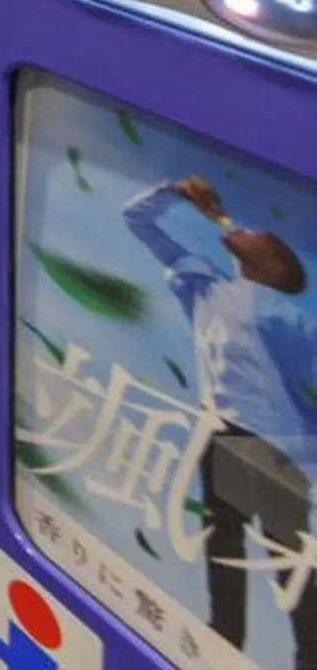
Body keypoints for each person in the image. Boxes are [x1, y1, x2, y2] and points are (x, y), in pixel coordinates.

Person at [128, 174, 317, 663]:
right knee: (222, 547)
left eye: (260, 234)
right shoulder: (205, 286)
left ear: (275, 265)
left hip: (276, 445)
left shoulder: (290, 317)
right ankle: (224, 642)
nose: (244, 227)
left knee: (288, 558)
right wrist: (175, 192)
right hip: (221, 433)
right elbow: (136, 219)